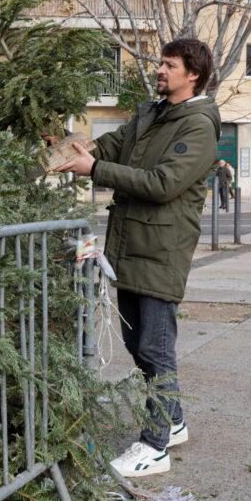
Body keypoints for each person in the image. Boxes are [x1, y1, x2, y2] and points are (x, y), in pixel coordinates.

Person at [51, 38, 220, 478]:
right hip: (129, 247)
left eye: (168, 65)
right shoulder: (151, 113)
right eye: (160, 63)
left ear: (193, 74)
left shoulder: (199, 124)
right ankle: (175, 420)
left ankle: (155, 445)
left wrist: (96, 171)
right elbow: (106, 150)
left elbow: (164, 184)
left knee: (156, 348)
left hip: (162, 250)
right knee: (135, 342)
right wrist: (68, 149)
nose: (159, 70)